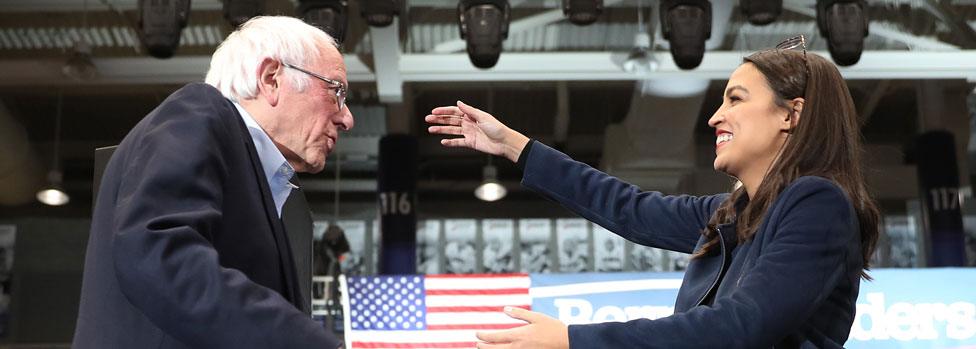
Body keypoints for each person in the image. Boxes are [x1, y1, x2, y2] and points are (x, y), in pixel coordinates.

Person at [426, 35, 880, 348]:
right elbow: (630, 209)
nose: (714, 117)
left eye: (736, 99)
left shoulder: (818, 204)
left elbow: (741, 327)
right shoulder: (734, 214)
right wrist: (514, 146)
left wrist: (573, 340)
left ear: (791, 114)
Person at [72, 16, 353, 348]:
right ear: (271, 78)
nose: (346, 118)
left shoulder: (267, 186)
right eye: (336, 91)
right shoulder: (199, 111)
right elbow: (158, 253)